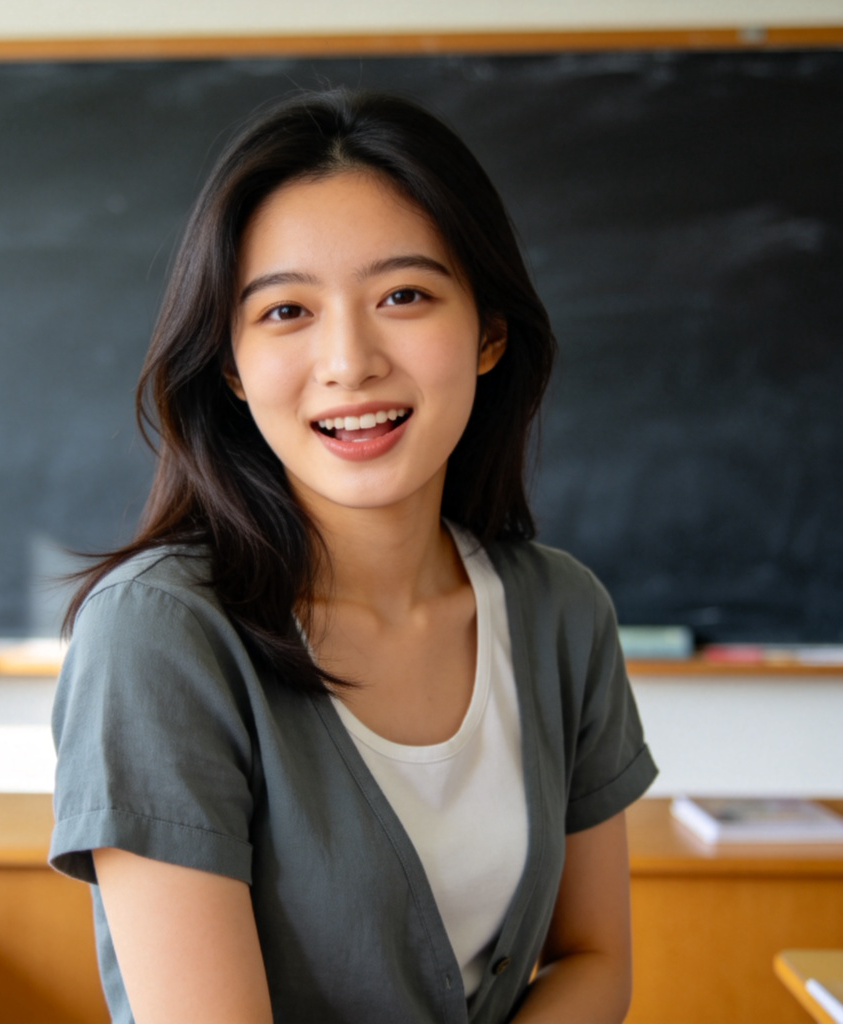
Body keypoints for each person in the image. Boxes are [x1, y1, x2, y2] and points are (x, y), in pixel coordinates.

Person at [49, 88, 657, 1024]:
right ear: (232, 366)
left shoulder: (563, 613)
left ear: (489, 332)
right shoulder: (158, 635)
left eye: (404, 296)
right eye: (286, 311)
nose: (349, 360)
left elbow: (595, 958)